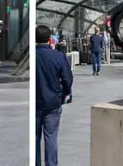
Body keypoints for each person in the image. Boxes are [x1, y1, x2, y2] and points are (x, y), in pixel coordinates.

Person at [35, 24, 72, 166]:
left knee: (35, 137)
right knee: (51, 137)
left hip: (36, 103)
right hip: (53, 102)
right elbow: (68, 79)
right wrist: (64, 93)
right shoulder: (58, 56)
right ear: (50, 38)